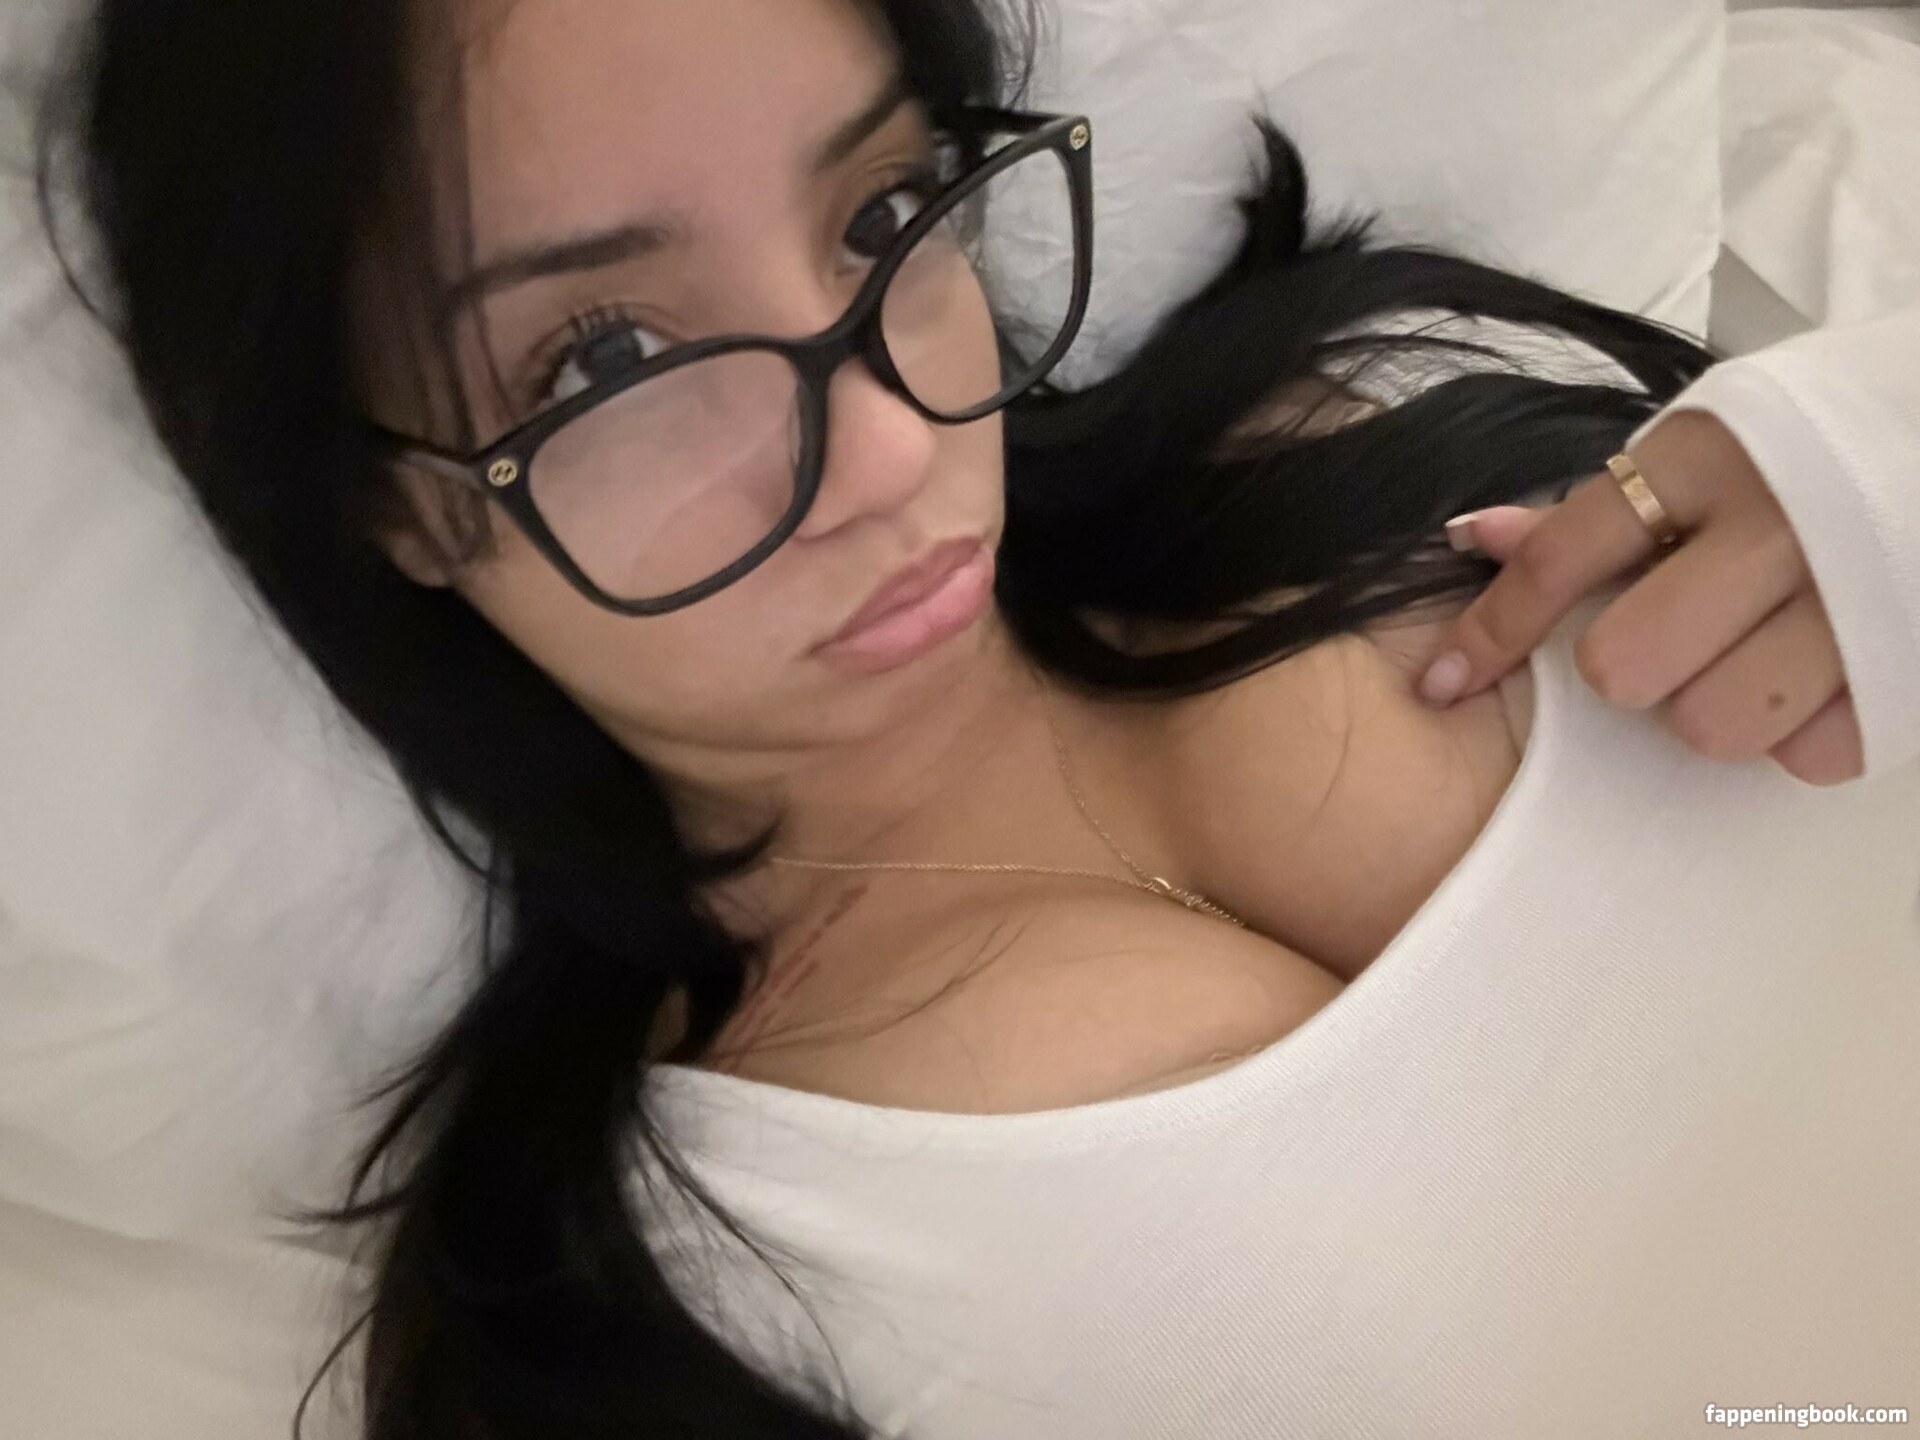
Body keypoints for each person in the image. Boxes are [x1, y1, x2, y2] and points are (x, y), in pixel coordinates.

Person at [39, 0, 1920, 1435]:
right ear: (403, 505)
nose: (885, 449)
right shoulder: (658, 1302)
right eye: (609, 355)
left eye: (878, 212)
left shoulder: (1380, 419)